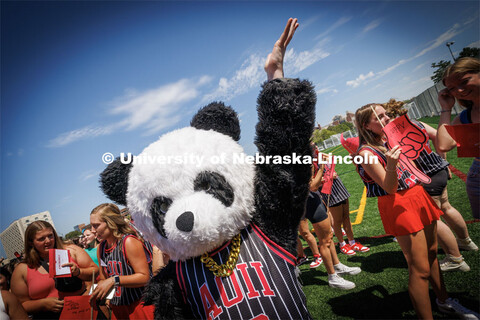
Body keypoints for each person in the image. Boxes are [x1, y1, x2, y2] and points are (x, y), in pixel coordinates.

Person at [354, 103, 478, 319]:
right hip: (399, 205)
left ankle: (444, 301)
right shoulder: (365, 152)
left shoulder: (389, 139)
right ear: (366, 125)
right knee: (419, 269)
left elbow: (434, 145)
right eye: (379, 117)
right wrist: (391, 165)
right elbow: (389, 187)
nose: (386, 118)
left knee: (431, 255)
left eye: (386, 114)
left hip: (418, 195)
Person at [10, 221, 98, 320]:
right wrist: (42, 304)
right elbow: (19, 305)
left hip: (82, 312)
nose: (48, 241)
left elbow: (95, 270)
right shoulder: (22, 269)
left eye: (50, 236)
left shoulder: (71, 251)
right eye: (41, 239)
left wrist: (79, 272)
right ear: (31, 242)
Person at [89, 203, 155, 320]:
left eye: (96, 225)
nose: (93, 230)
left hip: (138, 306)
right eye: (91, 226)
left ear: (111, 222)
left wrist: (114, 280)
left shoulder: (128, 241)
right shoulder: (101, 247)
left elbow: (145, 277)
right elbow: (104, 278)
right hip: (117, 308)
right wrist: (98, 292)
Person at [307, 160, 361, 290]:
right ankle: (333, 277)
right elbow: (312, 186)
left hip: (312, 198)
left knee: (328, 237)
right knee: (325, 240)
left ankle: (337, 265)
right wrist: (321, 169)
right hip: (307, 201)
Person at [437, 57, 480, 219]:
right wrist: (446, 108)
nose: (460, 91)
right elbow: (444, 144)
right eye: (453, 88)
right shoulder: (465, 116)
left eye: (464, 81)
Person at [318, 161, 370, 256]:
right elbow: (312, 182)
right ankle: (342, 244)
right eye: (313, 147)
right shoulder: (310, 163)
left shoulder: (321, 158)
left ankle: (352, 242)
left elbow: (330, 161)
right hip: (330, 193)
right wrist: (326, 178)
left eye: (315, 146)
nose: (315, 149)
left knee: (346, 217)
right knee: (337, 221)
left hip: (339, 188)